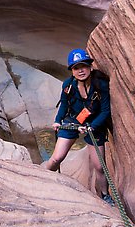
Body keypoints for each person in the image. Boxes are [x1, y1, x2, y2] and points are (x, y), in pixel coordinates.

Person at [43, 48, 115, 206]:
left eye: (83, 66)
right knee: (56, 158)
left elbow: (105, 110)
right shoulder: (68, 85)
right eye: (76, 67)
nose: (80, 70)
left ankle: (104, 195)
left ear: (90, 66)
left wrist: (92, 126)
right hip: (74, 120)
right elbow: (63, 105)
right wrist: (58, 120)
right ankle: (42, 178)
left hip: (94, 123)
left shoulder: (100, 84)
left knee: (99, 166)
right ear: (72, 71)